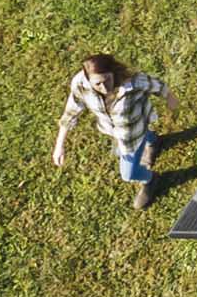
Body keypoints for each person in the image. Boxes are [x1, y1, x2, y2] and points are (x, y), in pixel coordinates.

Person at [52, 51, 170, 210]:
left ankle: (150, 179)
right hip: (118, 129)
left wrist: (170, 98)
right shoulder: (80, 85)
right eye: (97, 84)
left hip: (132, 132)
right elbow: (71, 112)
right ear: (88, 80)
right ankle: (153, 141)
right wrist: (60, 145)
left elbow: (157, 85)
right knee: (144, 135)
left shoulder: (133, 82)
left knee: (128, 174)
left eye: (107, 79)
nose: (104, 87)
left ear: (112, 72)